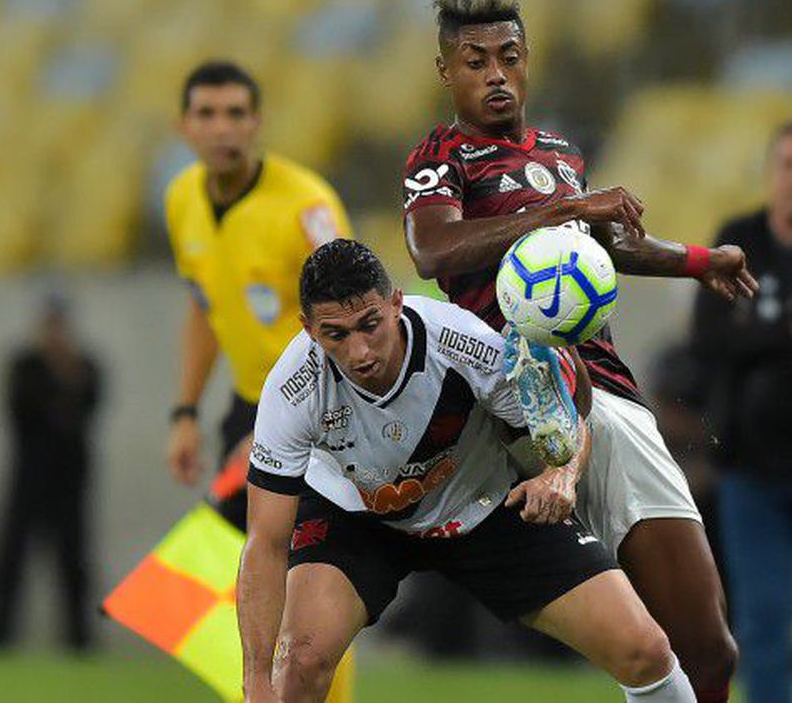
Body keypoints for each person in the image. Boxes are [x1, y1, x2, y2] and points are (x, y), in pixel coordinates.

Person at [400, 0, 754, 701]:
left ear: (527, 60)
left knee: (709, 648)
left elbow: (602, 249)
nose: (495, 74)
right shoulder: (441, 157)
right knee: (631, 644)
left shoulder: (559, 150)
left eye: (509, 56)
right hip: (511, 400)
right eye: (475, 62)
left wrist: (697, 260)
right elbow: (433, 252)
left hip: (609, 396)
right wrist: (562, 208)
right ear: (447, 72)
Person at [240, 238, 698, 702]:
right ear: (308, 328)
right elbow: (266, 541)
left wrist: (560, 474)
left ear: (396, 302)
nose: (360, 353)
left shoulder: (463, 343)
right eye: (336, 334)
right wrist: (256, 681)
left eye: (370, 324)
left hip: (482, 504)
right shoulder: (292, 388)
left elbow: (565, 422)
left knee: (646, 650)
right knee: (297, 668)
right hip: (356, 516)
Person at [164, 59, 352, 530]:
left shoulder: (307, 207)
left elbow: (355, 324)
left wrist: (285, 428)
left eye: (235, 113)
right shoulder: (181, 199)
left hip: (322, 409)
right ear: (183, 126)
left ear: (256, 123)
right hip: (248, 406)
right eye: (206, 114)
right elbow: (205, 307)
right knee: (228, 565)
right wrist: (186, 411)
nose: (221, 129)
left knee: (273, 563)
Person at [690, 122, 792, 703]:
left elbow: (737, 333)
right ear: (769, 172)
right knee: (763, 617)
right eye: (786, 164)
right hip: (751, 472)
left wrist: (761, 331)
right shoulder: (739, 240)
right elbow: (710, 339)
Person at [0, 294, 102, 651]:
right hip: (29, 478)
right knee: (9, 562)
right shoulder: (25, 365)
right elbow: (22, 411)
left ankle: (79, 643)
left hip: (70, 481)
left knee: (74, 564)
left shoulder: (84, 366)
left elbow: (86, 411)